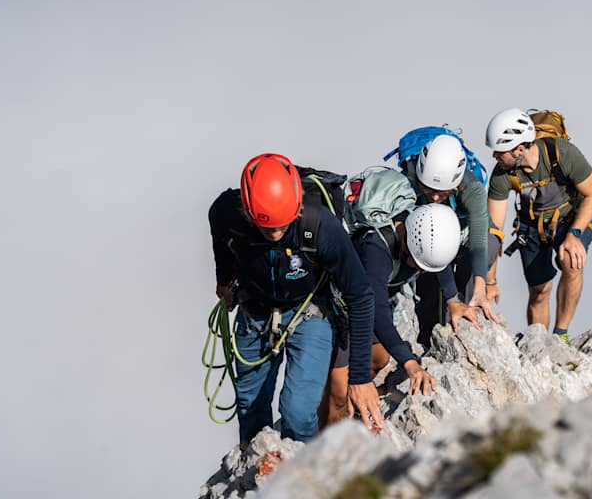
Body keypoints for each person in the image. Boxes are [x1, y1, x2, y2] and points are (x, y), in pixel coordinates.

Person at [208, 153, 383, 447]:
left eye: (283, 226)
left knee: (298, 412)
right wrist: (224, 280)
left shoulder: (320, 225)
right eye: (267, 227)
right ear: (248, 212)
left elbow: (361, 295)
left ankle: (302, 478)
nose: (276, 234)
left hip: (310, 313)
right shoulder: (226, 213)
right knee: (250, 408)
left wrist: (361, 377)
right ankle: (260, 472)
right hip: (255, 312)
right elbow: (222, 245)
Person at [319, 195, 480, 427]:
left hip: (367, 307)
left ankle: (353, 408)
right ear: (407, 243)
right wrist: (410, 362)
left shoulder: (426, 235)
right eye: (418, 264)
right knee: (338, 390)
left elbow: (439, 263)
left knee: (380, 358)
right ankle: (324, 438)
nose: (421, 272)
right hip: (339, 307)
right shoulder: (375, 250)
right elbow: (378, 314)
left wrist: (453, 300)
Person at [484, 109, 592, 343]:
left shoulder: (563, 153)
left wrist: (574, 235)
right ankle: (538, 343)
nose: (495, 156)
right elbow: (493, 230)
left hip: (570, 220)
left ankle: (561, 335)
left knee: (571, 262)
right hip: (531, 227)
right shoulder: (501, 175)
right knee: (539, 291)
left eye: (500, 151)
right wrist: (490, 280)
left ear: (519, 149)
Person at [407, 134, 502, 346]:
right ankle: (428, 337)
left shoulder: (472, 188)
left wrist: (481, 285)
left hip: (464, 232)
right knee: (429, 276)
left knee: (488, 246)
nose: (433, 197)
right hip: (427, 232)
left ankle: (469, 316)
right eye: (428, 189)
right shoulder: (408, 182)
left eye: (441, 193)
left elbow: (479, 241)